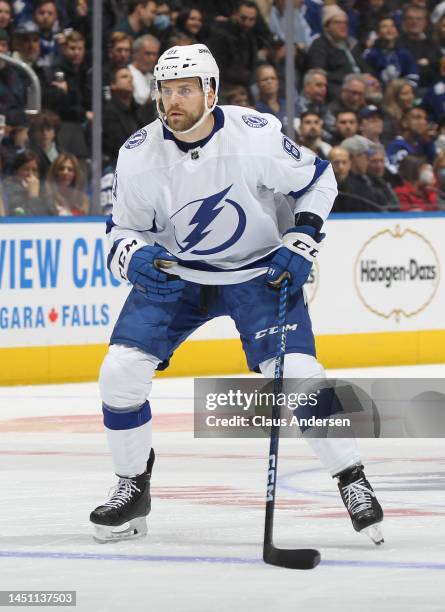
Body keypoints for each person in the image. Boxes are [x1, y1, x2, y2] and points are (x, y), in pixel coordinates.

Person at [90, 43, 384, 546]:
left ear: (211, 92)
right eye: (165, 90)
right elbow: (122, 229)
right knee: (119, 373)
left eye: (185, 89)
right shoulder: (138, 153)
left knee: (297, 376)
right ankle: (132, 486)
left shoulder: (255, 135)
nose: (173, 100)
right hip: (177, 274)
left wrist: (301, 237)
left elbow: (319, 180)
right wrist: (132, 255)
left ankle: (352, 479)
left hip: (258, 273)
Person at [3, 149, 54, 216]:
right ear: (16, 171)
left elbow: (53, 215)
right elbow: (20, 216)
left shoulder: (43, 188)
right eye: (25, 169)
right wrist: (33, 196)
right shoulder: (7, 188)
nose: (30, 174)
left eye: (35, 170)